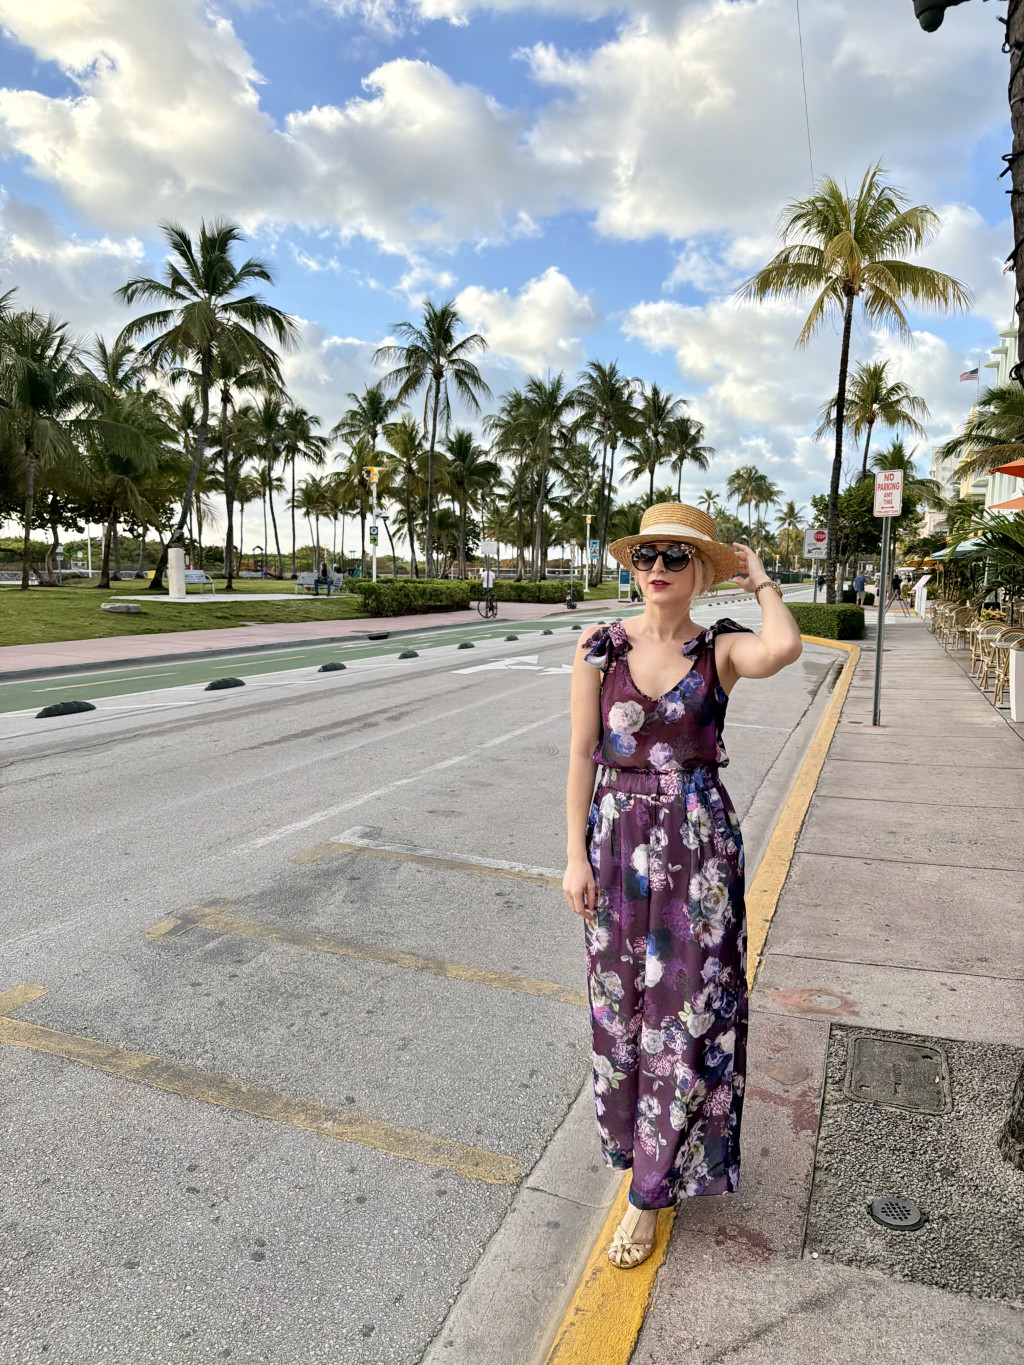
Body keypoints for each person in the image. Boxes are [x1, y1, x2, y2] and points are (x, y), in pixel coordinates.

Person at [563, 502, 803, 1270]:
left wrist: (758, 578)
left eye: (675, 555)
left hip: (698, 853)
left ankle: (649, 1194)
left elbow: (785, 646)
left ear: (700, 570)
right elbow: (582, 752)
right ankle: (639, 1152)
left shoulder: (719, 648)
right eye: (646, 555)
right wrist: (574, 857)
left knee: (689, 1016)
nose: (657, 567)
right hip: (615, 848)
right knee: (622, 1015)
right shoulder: (599, 647)